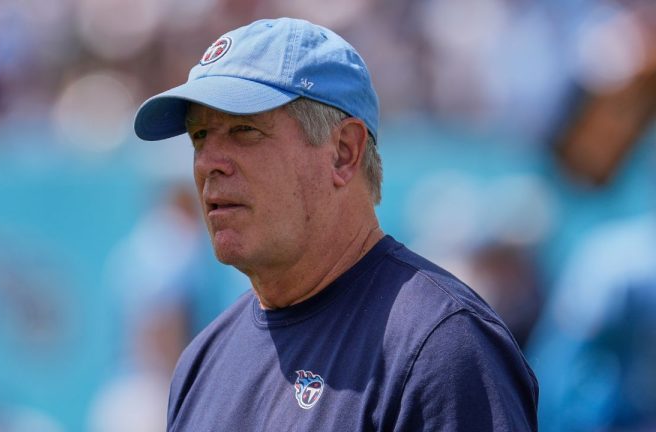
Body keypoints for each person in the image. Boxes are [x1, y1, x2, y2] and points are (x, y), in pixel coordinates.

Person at [133, 17, 538, 431]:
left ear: (343, 152)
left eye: (244, 130)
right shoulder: (203, 361)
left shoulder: (441, 346)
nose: (207, 164)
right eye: (199, 136)